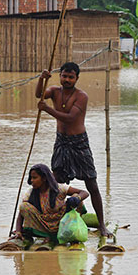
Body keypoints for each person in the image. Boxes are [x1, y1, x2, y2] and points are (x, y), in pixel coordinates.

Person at [35, 62, 114, 237]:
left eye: (71, 77)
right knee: (53, 182)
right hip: (61, 143)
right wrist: (42, 79)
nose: (67, 80)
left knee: (92, 184)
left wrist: (47, 109)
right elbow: (39, 94)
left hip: (79, 144)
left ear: (77, 78)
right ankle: (49, 221)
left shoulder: (81, 96)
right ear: (60, 76)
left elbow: (71, 118)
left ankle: (101, 225)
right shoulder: (55, 91)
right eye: (64, 76)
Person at [12, 163, 89, 241]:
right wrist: (18, 231)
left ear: (44, 178)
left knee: (76, 197)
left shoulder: (59, 188)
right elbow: (21, 214)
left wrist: (77, 198)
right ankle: (47, 235)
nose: (32, 181)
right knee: (24, 206)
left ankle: (68, 231)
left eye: (35, 178)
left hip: (61, 223)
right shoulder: (30, 193)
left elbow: (84, 193)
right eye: (31, 178)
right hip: (43, 224)